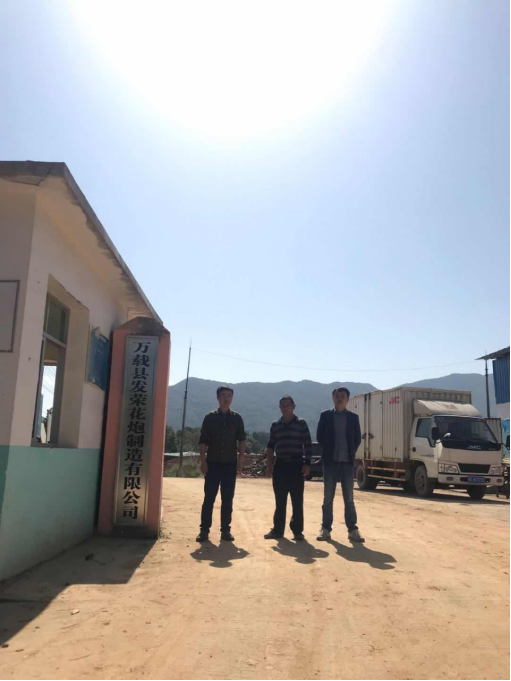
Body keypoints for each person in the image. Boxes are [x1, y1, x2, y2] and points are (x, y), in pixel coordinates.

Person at [196, 386, 246, 543]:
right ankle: (204, 531)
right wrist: (203, 461)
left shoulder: (237, 418)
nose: (226, 398)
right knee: (209, 498)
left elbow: (242, 440)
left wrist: (240, 460)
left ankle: (225, 530)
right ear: (217, 397)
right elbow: (203, 441)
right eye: (223, 395)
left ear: (232, 398)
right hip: (212, 464)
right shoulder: (210, 418)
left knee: (227, 499)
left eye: (229, 395)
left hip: (230, 464)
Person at [316, 387, 364, 542]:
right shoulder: (325, 416)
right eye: (337, 396)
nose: (340, 398)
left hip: (347, 463)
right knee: (328, 498)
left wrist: (349, 452)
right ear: (333, 398)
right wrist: (328, 451)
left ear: (347, 399)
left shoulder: (353, 418)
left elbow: (357, 439)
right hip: (330, 462)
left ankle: (352, 530)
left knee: (349, 498)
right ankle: (325, 529)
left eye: (343, 396)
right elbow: (319, 436)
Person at [264, 395, 312, 541]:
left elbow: (307, 444)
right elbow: (271, 446)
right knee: (280, 500)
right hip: (280, 465)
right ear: (280, 408)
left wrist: (307, 463)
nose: (285, 407)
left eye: (288, 405)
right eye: (283, 405)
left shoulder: (301, 423)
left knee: (297, 500)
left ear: (293, 406)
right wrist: (269, 464)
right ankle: (278, 530)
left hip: (297, 465)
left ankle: (297, 531)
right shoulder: (275, 425)